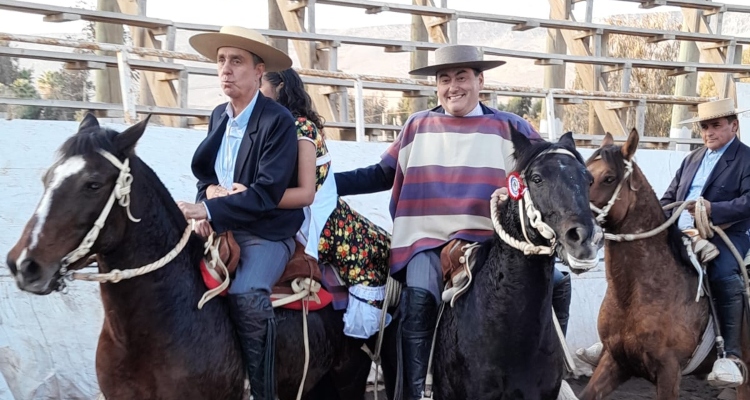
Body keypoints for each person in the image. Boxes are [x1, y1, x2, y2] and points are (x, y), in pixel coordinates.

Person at [333, 44, 573, 399]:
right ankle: (413, 391)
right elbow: (382, 173)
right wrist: (324, 182)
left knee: (559, 282)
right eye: (444, 79)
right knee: (419, 297)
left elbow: (548, 169)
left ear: (480, 81)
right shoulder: (417, 125)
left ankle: (553, 372)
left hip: (494, 243)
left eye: (461, 77)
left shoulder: (512, 127)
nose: (452, 86)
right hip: (427, 240)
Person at [578, 98, 750, 388]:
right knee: (639, 263)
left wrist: (712, 210)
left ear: (734, 125)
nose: (709, 132)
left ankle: (730, 353)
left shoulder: (746, 159)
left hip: (727, 232)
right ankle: (617, 341)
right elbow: (670, 196)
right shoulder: (692, 159)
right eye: (705, 126)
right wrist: (660, 217)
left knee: (721, 271)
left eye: (717, 125)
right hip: (683, 228)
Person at [176, 26, 301, 400]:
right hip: (217, 226)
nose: (226, 69)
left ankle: (264, 392)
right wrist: (208, 194)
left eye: (236, 61)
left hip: (266, 233)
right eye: (221, 61)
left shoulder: (278, 121)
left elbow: (266, 193)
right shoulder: (218, 116)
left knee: (247, 293)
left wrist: (207, 206)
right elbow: (206, 176)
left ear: (258, 70)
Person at [257, 67, 392, 338]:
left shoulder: (299, 128)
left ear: (279, 87)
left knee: (375, 249)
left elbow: (303, 187)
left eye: (260, 83)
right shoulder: (284, 124)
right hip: (310, 208)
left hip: (313, 215)